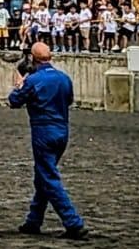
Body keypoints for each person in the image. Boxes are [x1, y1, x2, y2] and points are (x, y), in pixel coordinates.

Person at [8, 42, 87, 238]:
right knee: (43, 175)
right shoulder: (64, 78)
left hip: (43, 130)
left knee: (49, 177)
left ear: (33, 59)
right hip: (62, 130)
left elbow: (15, 101)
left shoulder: (33, 80)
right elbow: (68, 100)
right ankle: (33, 220)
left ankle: (73, 222)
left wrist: (19, 85)